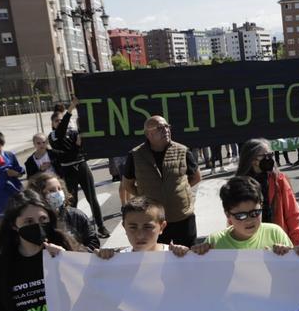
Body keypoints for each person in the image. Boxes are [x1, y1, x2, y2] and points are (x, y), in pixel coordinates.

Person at [122, 115, 200, 246]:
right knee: (156, 259)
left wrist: (179, 189)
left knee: (187, 255)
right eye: (159, 128)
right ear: (148, 134)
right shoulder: (135, 155)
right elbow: (128, 185)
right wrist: (145, 197)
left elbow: (196, 177)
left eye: (167, 126)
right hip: (153, 220)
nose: (166, 130)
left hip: (182, 215)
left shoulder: (182, 150)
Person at [48, 99, 108, 238]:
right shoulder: (53, 136)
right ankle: (74, 230)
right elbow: (67, 150)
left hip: (82, 166)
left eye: (61, 120)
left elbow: (83, 147)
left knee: (92, 198)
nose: (59, 122)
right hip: (68, 170)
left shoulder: (73, 132)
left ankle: (101, 226)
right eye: (56, 121)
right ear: (52, 123)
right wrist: (70, 109)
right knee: (72, 201)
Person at [190, 176, 296, 255]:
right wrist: (185, 255)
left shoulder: (275, 233)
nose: (249, 220)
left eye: (255, 213)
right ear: (227, 214)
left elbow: (295, 267)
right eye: (241, 216)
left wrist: (290, 254)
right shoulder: (215, 242)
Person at [236, 138, 299, 245]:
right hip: (251, 242)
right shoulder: (239, 184)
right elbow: (234, 217)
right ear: (252, 160)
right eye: (264, 156)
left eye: (270, 155)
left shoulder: (279, 180)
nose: (268, 159)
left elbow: (292, 212)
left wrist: (296, 240)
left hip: (279, 242)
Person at [95, 197, 190, 258]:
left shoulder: (175, 255)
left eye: (148, 227)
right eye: (133, 227)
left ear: (162, 227)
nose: (140, 235)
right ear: (124, 227)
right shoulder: (118, 258)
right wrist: (100, 261)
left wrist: (198, 252)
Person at [27, 172, 99, 251]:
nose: (58, 193)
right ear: (39, 195)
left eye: (59, 189)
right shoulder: (37, 222)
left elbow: (93, 242)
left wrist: (77, 253)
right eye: (51, 190)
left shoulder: (76, 215)